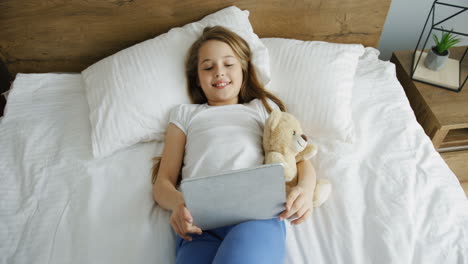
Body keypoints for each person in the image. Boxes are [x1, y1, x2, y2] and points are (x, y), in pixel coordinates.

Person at [153, 26, 317, 264]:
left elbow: (300, 159)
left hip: (256, 216)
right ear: (197, 79)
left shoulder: (262, 108)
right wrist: (179, 205)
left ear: (243, 69)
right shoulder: (184, 115)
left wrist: (306, 190)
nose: (219, 73)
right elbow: (162, 184)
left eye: (228, 64)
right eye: (208, 67)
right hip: (198, 226)